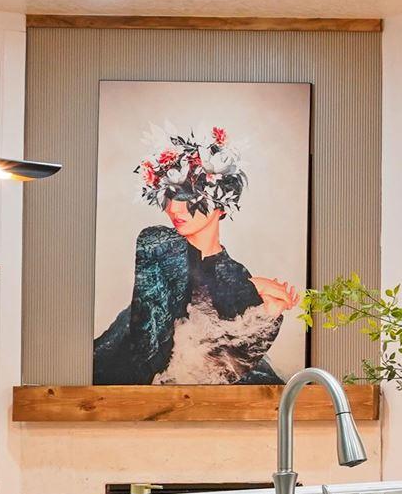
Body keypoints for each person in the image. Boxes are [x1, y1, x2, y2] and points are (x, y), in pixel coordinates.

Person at [91, 126, 300, 384]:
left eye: (187, 196)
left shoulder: (235, 275)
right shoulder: (157, 243)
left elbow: (215, 369)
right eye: (168, 195)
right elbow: (150, 349)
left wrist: (267, 314)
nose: (173, 208)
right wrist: (253, 287)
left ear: (221, 204)